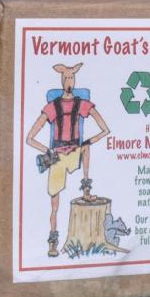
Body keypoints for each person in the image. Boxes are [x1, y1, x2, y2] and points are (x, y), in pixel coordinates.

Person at [25, 63, 110, 257]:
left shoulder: (82, 104)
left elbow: (105, 129)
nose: (69, 81)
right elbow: (30, 138)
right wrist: (47, 151)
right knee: (54, 205)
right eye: (67, 78)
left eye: (72, 77)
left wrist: (88, 141)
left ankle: (86, 190)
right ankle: (53, 242)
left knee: (86, 147)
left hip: (74, 152)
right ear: (62, 80)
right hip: (57, 156)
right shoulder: (52, 107)